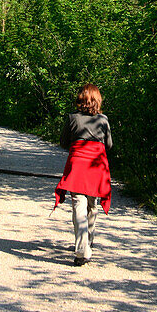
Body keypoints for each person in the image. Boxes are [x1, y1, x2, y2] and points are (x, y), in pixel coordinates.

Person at [54, 82, 113, 265]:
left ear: (80, 99)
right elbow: (109, 145)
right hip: (97, 166)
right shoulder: (103, 120)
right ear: (97, 100)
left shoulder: (72, 118)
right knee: (91, 204)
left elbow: (64, 142)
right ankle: (88, 243)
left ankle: (81, 249)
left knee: (78, 204)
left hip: (78, 165)